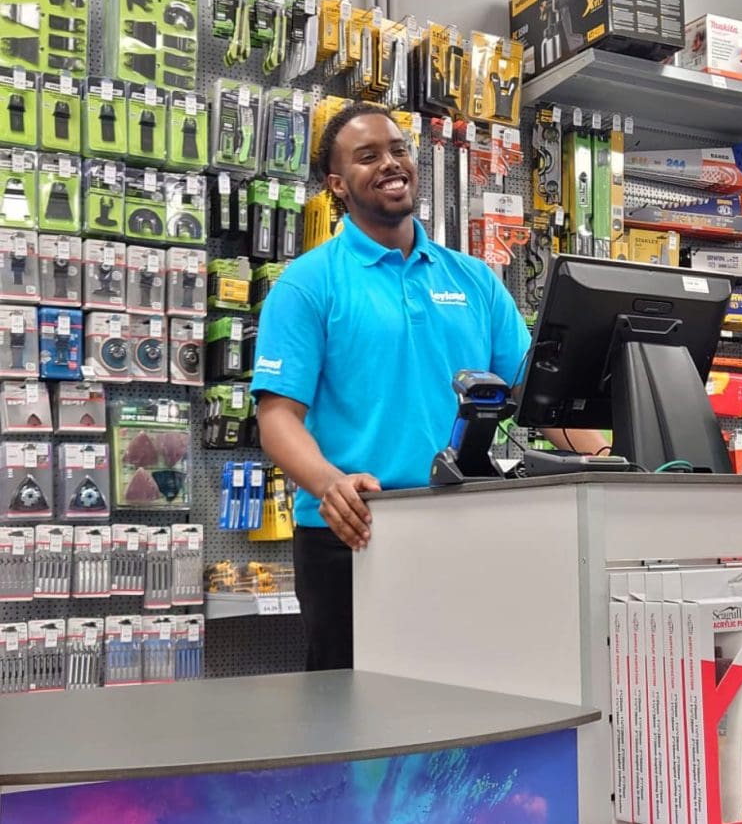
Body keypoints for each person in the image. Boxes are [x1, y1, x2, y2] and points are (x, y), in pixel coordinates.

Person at [252, 102, 605, 671]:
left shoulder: (474, 279)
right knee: (352, 708)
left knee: (463, 695)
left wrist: (610, 463)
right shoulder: (307, 285)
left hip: (460, 526)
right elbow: (277, 418)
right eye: (368, 156)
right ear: (338, 185)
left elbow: (539, 398)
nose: (391, 164)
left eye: (398, 150)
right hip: (352, 532)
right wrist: (330, 484)